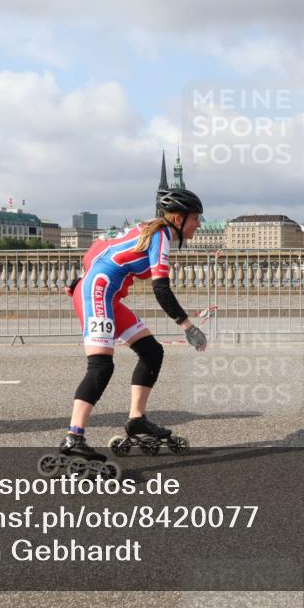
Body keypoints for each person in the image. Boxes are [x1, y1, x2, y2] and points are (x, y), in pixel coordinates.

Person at [59, 188, 208, 465]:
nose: (198, 224)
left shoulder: (148, 229)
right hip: (98, 293)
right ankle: (73, 436)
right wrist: (188, 326)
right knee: (101, 366)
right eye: (196, 218)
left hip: (105, 292)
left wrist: (79, 276)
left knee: (152, 352)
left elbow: (102, 247)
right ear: (178, 217)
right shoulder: (160, 236)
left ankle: (137, 420)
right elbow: (161, 289)